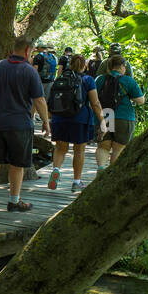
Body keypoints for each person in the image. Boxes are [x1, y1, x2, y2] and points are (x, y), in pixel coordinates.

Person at [0, 34, 49, 214]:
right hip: (19, 125)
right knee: (17, 164)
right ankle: (14, 201)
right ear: (27, 50)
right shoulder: (29, 71)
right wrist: (46, 122)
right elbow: (39, 100)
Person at [47, 53, 103, 192]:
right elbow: (95, 103)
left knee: (60, 148)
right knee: (79, 150)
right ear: (85, 66)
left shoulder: (60, 78)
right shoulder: (88, 80)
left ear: (70, 64)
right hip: (80, 119)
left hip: (59, 118)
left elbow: (51, 100)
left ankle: (56, 169)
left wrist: (48, 119)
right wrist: (102, 121)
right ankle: (76, 181)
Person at [95, 54, 146, 168]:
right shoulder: (128, 80)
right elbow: (140, 100)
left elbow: (92, 99)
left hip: (105, 116)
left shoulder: (100, 79)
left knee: (103, 147)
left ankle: (101, 168)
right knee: (119, 148)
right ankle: (111, 174)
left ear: (109, 66)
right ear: (123, 66)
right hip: (124, 117)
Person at [33, 44, 58, 129]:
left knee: (34, 101)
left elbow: (35, 70)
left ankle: (32, 119)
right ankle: (45, 120)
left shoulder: (38, 57)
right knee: (45, 102)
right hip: (50, 82)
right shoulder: (53, 57)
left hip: (40, 82)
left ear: (40, 48)